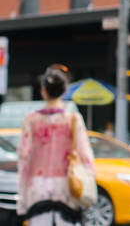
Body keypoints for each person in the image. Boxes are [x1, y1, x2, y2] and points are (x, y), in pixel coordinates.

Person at [17, 65, 96, 226]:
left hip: (37, 187)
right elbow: (86, 155)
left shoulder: (31, 119)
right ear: (63, 90)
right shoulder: (73, 119)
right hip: (66, 186)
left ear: (43, 90)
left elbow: (23, 154)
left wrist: (22, 192)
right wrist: (88, 180)